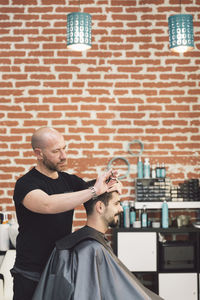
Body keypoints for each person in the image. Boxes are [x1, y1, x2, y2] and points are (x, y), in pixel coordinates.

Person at [11, 127, 122, 300]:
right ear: (38, 154)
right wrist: (94, 190)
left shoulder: (69, 181)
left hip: (60, 271)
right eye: (56, 151)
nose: (64, 156)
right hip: (30, 274)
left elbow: (97, 197)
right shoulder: (26, 184)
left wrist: (111, 186)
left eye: (65, 148)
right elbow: (47, 204)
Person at [32, 181, 163, 300]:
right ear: (100, 207)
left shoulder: (86, 242)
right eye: (117, 203)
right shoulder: (90, 249)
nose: (121, 209)